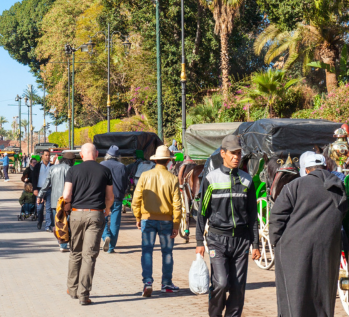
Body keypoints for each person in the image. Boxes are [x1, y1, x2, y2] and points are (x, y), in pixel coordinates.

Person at [269, 152, 348, 317]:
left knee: (294, 296)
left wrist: (277, 244)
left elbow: (276, 218)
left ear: (305, 170)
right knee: (322, 295)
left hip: (294, 251)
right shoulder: (339, 188)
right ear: (324, 167)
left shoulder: (294, 186)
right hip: (327, 251)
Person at [196, 134, 261, 317]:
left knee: (238, 288)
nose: (236, 157)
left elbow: (253, 217)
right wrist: (199, 240)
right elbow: (202, 213)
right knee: (221, 283)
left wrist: (255, 244)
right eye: (232, 153)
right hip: (217, 239)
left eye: (239, 153)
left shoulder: (247, 180)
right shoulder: (211, 179)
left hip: (241, 241)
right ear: (223, 154)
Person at [62, 143, 112, 306]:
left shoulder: (73, 170)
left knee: (75, 252)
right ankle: (84, 294)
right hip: (96, 214)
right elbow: (110, 197)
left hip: (76, 214)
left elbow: (66, 195)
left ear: (81, 155)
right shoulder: (105, 171)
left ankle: (72, 288)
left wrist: (68, 205)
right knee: (89, 255)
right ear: (96, 154)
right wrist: (107, 210)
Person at [131, 145, 182, 297]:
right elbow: (177, 204)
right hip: (166, 221)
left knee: (147, 252)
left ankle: (147, 282)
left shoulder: (145, 176)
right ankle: (166, 283)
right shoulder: (172, 178)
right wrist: (176, 224)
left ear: (156, 160)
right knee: (167, 253)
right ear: (168, 161)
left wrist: (138, 216)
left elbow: (136, 199)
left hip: (148, 219)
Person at [40, 152, 73, 250]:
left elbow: (46, 184)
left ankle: (62, 244)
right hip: (68, 200)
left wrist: (40, 195)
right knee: (69, 222)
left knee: (58, 222)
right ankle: (69, 242)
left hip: (56, 201)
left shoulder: (53, 168)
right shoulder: (71, 169)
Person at [101, 145, 129, 253]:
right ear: (118, 156)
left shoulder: (102, 165)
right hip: (117, 197)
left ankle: (106, 235)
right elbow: (125, 183)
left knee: (103, 218)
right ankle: (111, 247)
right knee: (115, 222)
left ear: (107, 155)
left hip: (104, 197)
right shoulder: (122, 166)